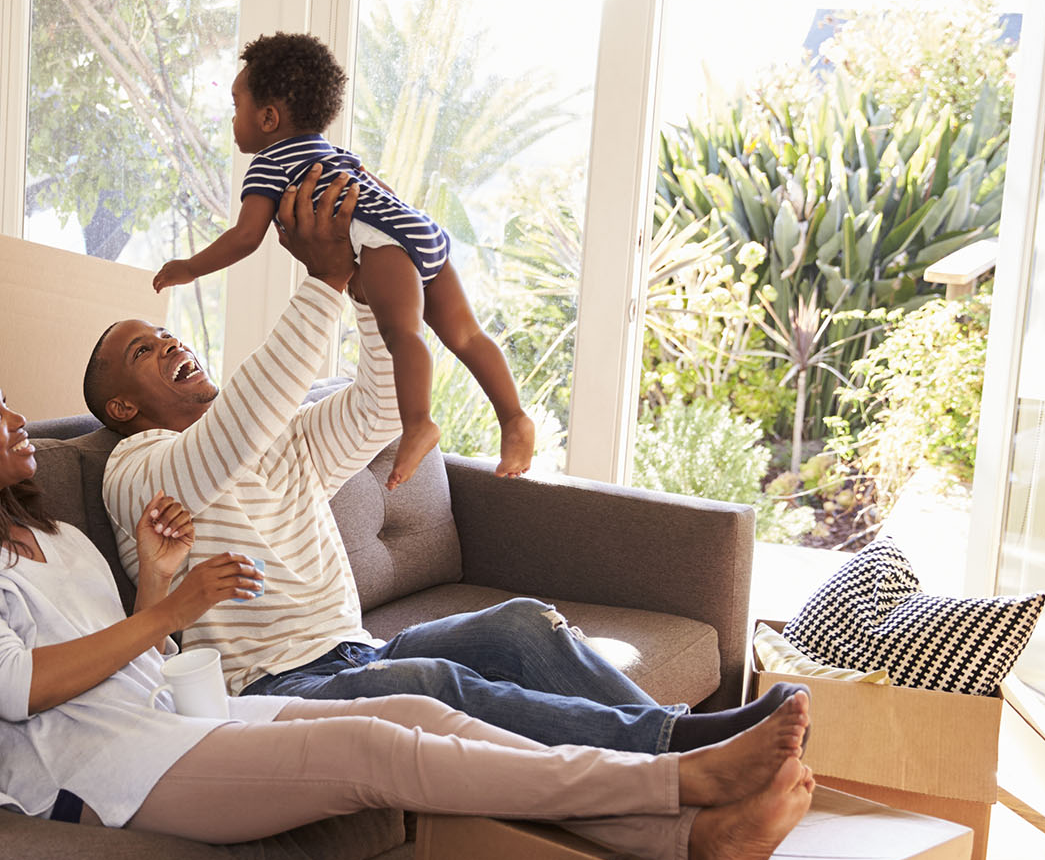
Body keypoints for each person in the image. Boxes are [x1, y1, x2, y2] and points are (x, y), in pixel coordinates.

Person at [0, 351, 814, 860]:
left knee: (421, 714)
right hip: (91, 775)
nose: (15, 419)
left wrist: (157, 578)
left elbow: (138, 658)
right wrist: (170, 606)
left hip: (165, 724)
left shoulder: (52, 537)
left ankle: (686, 840)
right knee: (377, 754)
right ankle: (675, 783)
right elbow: (19, 691)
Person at [89, 161, 807, 757]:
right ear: (122, 405)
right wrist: (324, 279)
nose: (172, 344)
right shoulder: (138, 469)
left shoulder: (277, 435)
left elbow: (377, 408)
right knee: (434, 682)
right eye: (142, 351)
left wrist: (369, 296)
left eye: (165, 332)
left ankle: (685, 738)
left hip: (354, 650)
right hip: (272, 689)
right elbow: (227, 442)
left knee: (523, 622)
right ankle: (680, 751)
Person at [151, 31, 533, 488]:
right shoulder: (334, 153)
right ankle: (513, 419)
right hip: (416, 226)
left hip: (381, 241)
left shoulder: (270, 165)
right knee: (467, 335)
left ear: (269, 117)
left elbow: (247, 236)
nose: (232, 120)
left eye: (236, 107)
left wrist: (190, 267)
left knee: (403, 332)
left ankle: (418, 423)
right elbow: (379, 191)